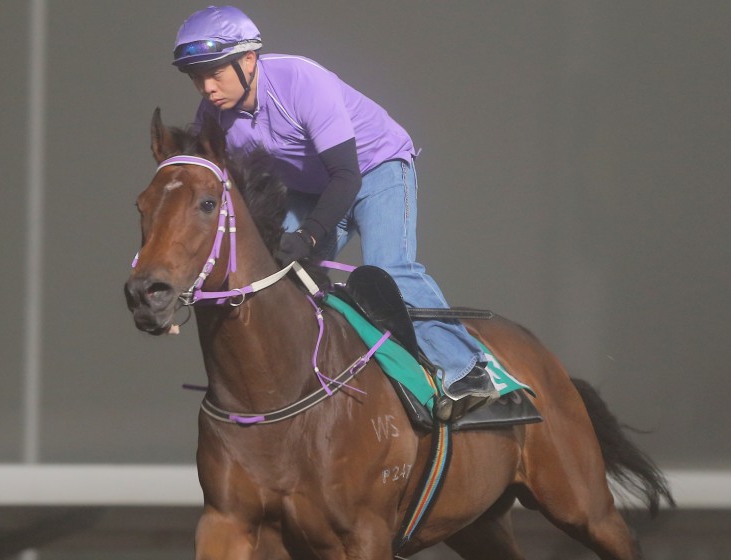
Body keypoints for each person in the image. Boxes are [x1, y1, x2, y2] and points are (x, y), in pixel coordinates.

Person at [171, 5, 499, 418]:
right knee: (272, 271)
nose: (205, 87)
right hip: (313, 188)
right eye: (195, 77)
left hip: (376, 169)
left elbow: (347, 176)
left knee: (389, 271)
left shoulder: (300, 81)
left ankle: (467, 370)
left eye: (214, 72)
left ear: (249, 60)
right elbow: (202, 196)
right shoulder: (213, 117)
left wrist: (308, 235)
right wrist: (182, 292)